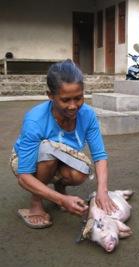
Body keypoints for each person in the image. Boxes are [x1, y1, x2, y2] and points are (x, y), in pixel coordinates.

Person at [10, 59, 117, 229]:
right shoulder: (35, 120)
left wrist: (102, 191)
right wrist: (62, 201)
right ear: (50, 96)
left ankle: (59, 188)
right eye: (66, 100)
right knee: (47, 150)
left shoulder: (87, 114)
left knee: (79, 172)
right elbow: (24, 177)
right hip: (28, 160)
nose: (74, 106)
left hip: (62, 155)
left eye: (79, 98)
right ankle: (36, 203)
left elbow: (99, 156)